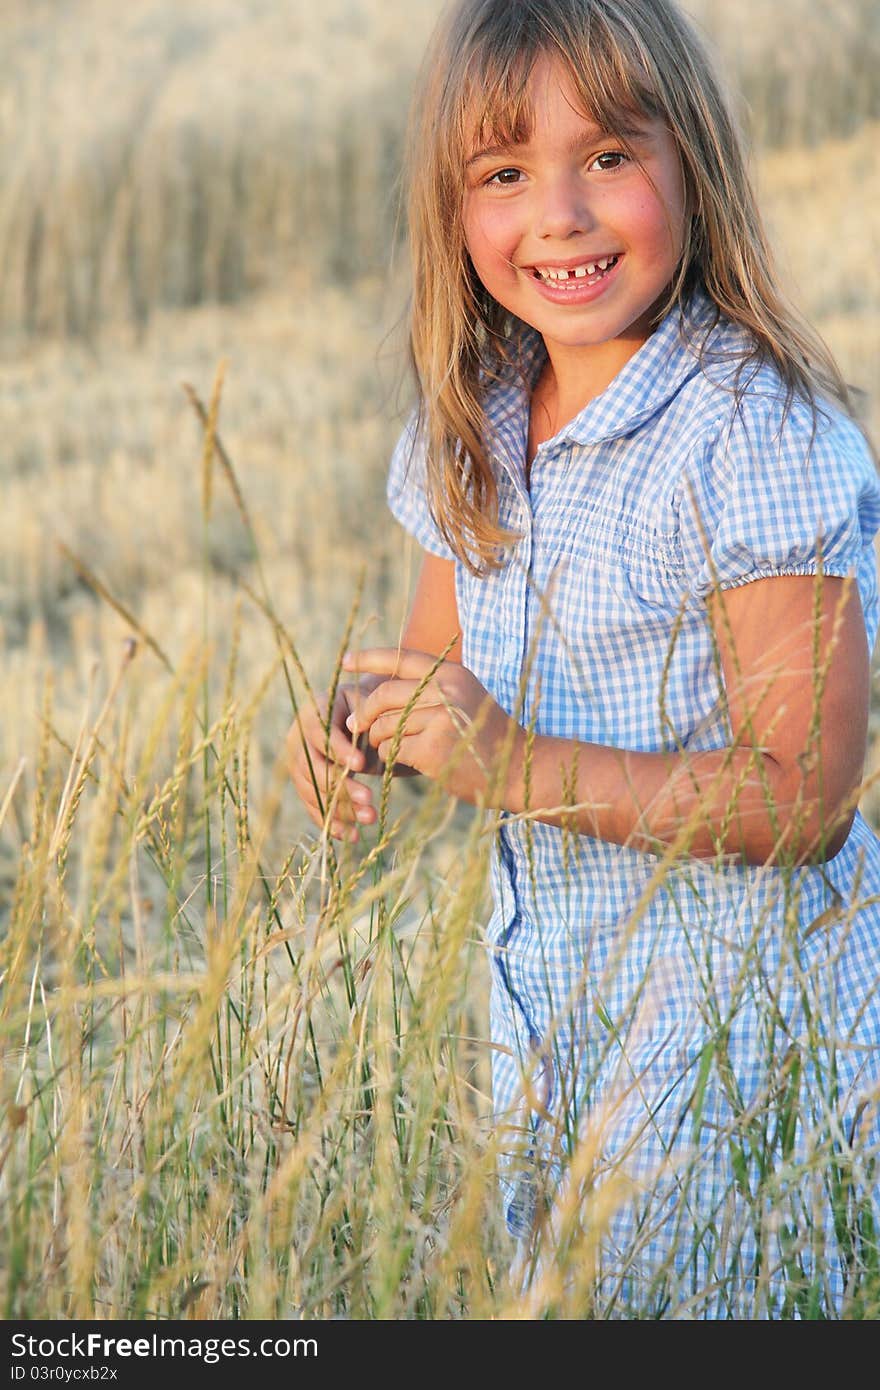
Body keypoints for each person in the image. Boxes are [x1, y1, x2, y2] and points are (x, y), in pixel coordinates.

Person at [287, 0, 880, 1316]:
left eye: (609, 155)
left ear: (695, 164)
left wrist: (511, 761)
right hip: (545, 1031)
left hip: (738, 1057)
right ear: (452, 212)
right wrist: (356, 729)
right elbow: (439, 690)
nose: (559, 212)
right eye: (503, 174)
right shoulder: (471, 433)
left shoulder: (750, 433)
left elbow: (803, 791)